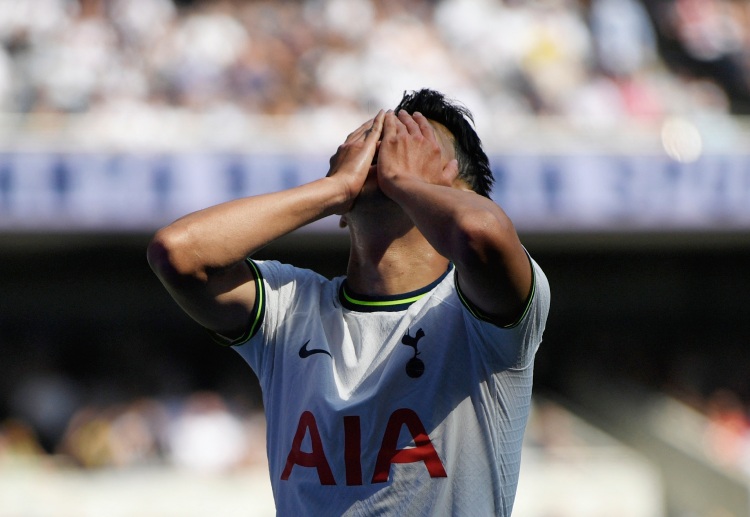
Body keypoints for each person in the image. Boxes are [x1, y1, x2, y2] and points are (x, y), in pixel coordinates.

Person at [147, 88, 550, 516]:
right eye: (373, 141)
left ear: (460, 190)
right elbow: (177, 252)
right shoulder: (293, 306)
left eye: (411, 143)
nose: (386, 151)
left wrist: (408, 185)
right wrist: (333, 188)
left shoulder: (477, 315)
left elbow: (481, 235)